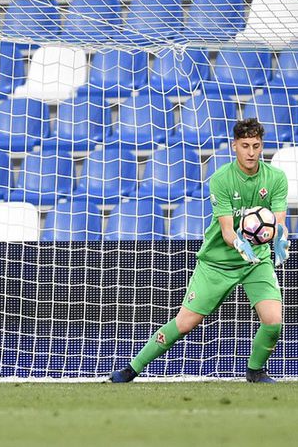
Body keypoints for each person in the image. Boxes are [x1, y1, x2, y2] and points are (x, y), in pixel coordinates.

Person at [110, 117, 289, 383]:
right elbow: (228, 231)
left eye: (256, 145)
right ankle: (132, 368)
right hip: (217, 263)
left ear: (262, 146)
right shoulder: (221, 179)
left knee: (274, 321)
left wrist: (280, 241)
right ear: (234, 146)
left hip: (255, 262)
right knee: (185, 323)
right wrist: (240, 243)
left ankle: (255, 371)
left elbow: (278, 224)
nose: (251, 152)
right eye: (245, 146)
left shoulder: (275, 178)